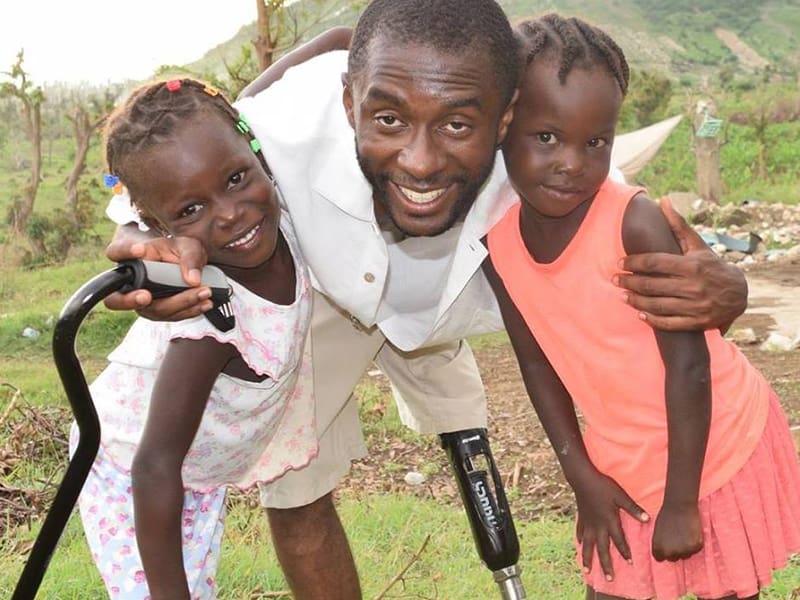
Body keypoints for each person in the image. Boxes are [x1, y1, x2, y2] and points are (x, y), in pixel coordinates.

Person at [101, 1, 750, 597]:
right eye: (388, 119)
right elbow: (159, 186)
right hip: (328, 296)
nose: (418, 161)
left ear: (504, 119)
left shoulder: (545, 153)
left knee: (469, 437)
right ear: (350, 100)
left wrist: (731, 285)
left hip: (452, 296)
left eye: (459, 124)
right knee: (298, 489)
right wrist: (141, 243)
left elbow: (627, 212)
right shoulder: (289, 123)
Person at [484, 14, 800, 600]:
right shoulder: (497, 247)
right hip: (621, 459)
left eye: (595, 141)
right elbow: (537, 365)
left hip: (711, 449)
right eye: (546, 137)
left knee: (722, 587)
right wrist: (582, 477)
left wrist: (682, 502)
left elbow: (691, 366)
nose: (572, 162)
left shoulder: (633, 222)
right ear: (504, 127)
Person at [73, 78, 317, 600]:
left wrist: (347, 37)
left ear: (258, 152)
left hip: (194, 472)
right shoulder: (206, 318)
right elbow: (154, 463)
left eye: (235, 178)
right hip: (125, 466)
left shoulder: (288, 222)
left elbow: (284, 79)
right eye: (190, 212)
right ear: (157, 227)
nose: (229, 213)